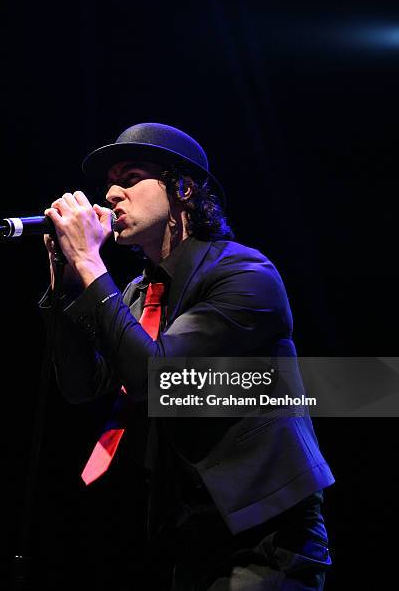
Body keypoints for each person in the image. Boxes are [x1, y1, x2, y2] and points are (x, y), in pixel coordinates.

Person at [40, 123, 335, 590]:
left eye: (131, 177)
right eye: (109, 184)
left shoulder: (244, 272)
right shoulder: (138, 295)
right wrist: (67, 285)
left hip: (265, 535)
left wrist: (92, 265)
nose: (112, 195)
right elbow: (81, 387)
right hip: (185, 535)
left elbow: (157, 380)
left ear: (182, 188)